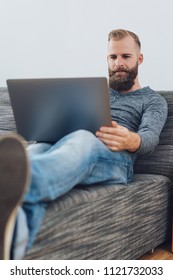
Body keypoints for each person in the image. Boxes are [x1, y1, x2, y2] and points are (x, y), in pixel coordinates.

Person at [0, 29, 168, 260]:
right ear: (107, 59)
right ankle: (13, 243)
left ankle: (13, 185)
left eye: (126, 57)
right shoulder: (89, 91)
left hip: (119, 161)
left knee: (82, 139)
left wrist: (132, 139)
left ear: (139, 59)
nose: (118, 63)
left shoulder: (153, 100)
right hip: (69, 144)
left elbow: (150, 138)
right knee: (35, 149)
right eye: (113, 57)